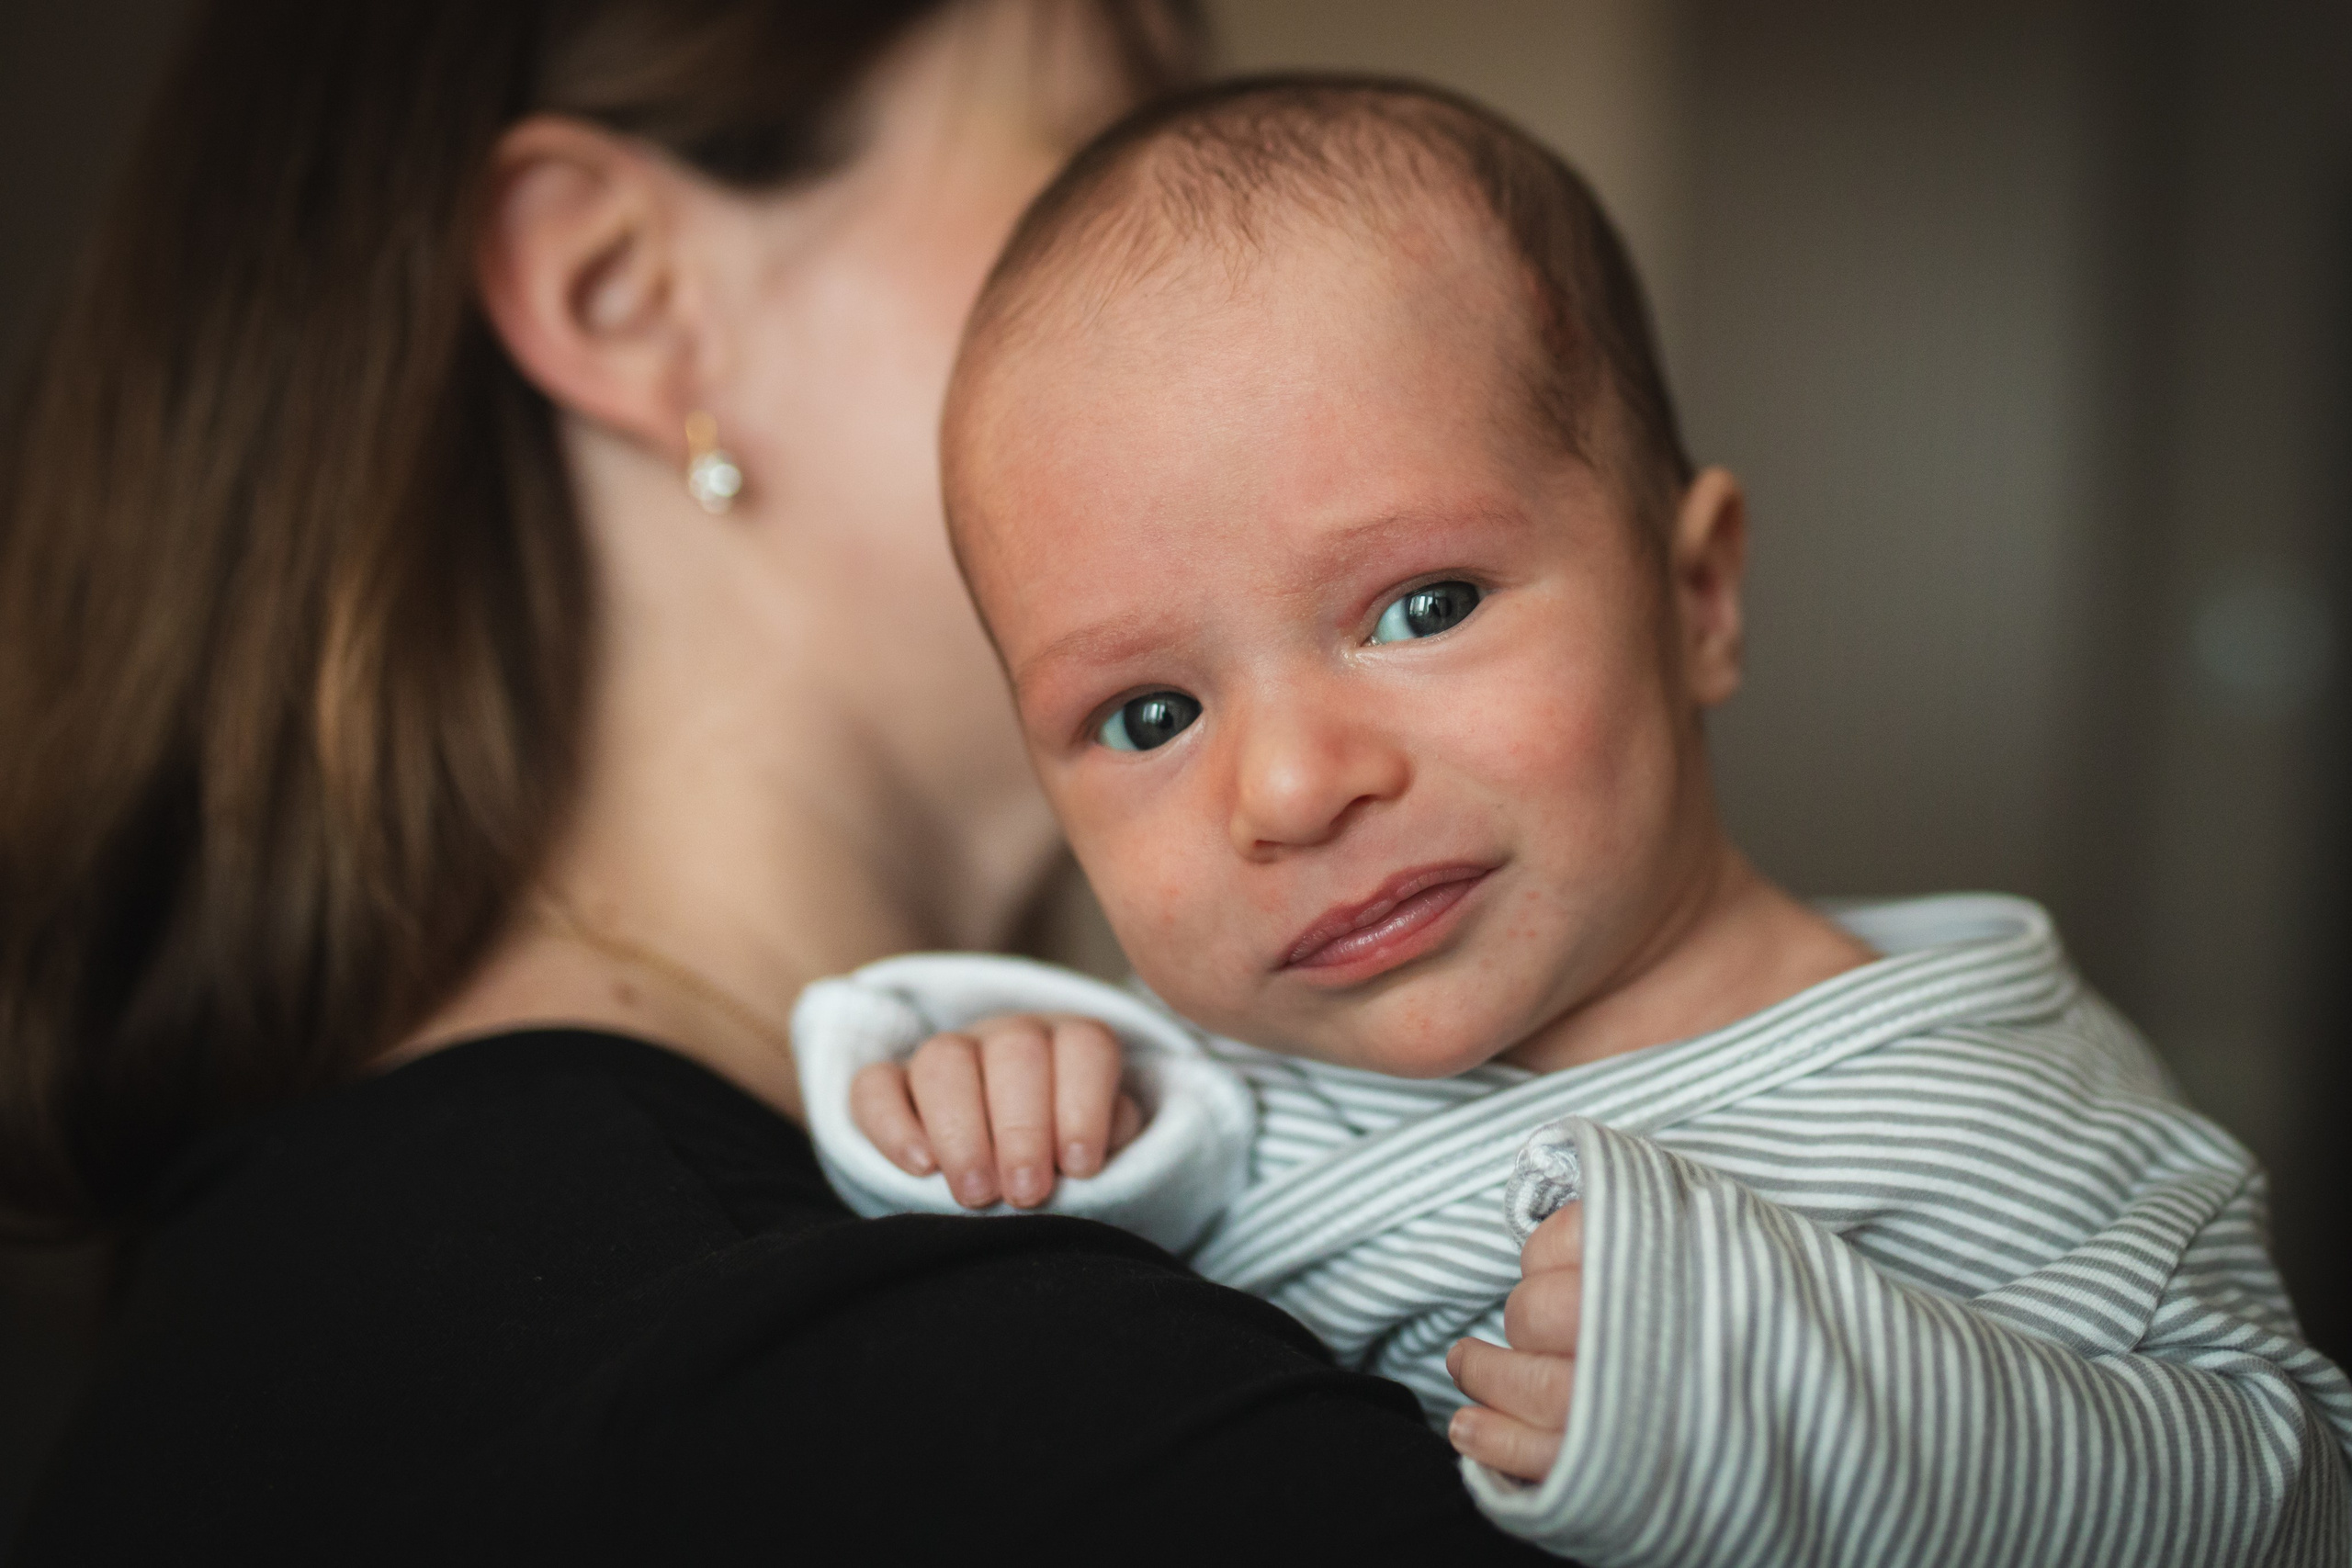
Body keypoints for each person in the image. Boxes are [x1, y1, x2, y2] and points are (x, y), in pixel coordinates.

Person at [0, 6, 1560, 1563]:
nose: (1256, 254)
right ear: (628, 297)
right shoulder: (966, 1419)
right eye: (1105, 156)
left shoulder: (283, 1289)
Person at [795, 76, 2352, 1564]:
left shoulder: (2000, 1112)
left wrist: (1774, 1398)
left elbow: (2297, 1506)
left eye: (1422, 606)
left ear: (1698, 597)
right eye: (1149, 715)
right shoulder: (1222, 1086)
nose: (1285, 788)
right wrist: (1039, 1114)